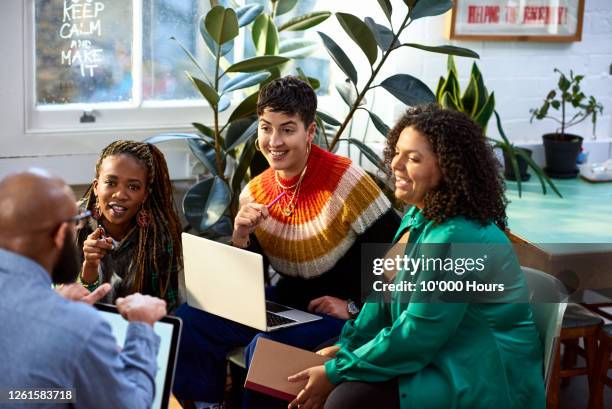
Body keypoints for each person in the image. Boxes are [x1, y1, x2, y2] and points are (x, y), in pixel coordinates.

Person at [287, 105, 546, 409]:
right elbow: (381, 298)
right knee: (316, 358)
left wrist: (340, 369)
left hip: (480, 372)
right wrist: (348, 347)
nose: (395, 164)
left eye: (413, 158)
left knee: (346, 399)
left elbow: (418, 334)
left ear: (448, 168)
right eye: (397, 152)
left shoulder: (459, 237)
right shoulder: (416, 216)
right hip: (438, 350)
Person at [173, 76, 400, 408]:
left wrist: (354, 307)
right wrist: (241, 237)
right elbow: (252, 279)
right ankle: (206, 405)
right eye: (266, 128)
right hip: (287, 304)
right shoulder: (255, 190)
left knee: (268, 349)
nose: (274, 141)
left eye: (287, 129)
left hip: (342, 315)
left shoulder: (347, 181)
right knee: (190, 319)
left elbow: (400, 255)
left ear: (309, 132)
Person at [0, 170, 168, 409]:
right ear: (60, 234)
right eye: (76, 222)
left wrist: (52, 303)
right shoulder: (80, 328)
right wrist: (142, 327)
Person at [76, 140, 183, 312]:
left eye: (133, 187)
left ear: (145, 195)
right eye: (111, 183)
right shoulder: (72, 223)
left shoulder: (159, 235)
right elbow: (60, 304)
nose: (120, 194)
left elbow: (165, 309)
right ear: (96, 187)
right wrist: (89, 267)